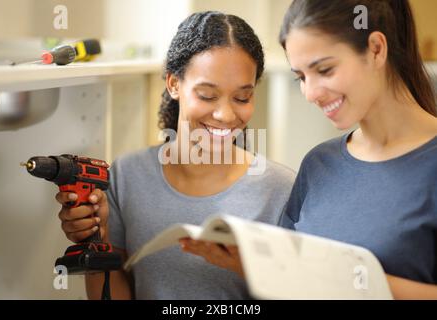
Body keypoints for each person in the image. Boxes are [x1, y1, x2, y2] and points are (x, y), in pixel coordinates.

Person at [181, 0, 437, 299]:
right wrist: (250, 265)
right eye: (301, 77)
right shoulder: (319, 164)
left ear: (376, 49)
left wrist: (353, 281)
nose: (311, 93)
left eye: (325, 70)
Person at [55, 11, 296, 299]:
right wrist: (95, 240)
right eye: (207, 95)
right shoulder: (127, 176)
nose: (226, 114)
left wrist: (252, 271)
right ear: (173, 84)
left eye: (242, 97)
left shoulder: (280, 189)